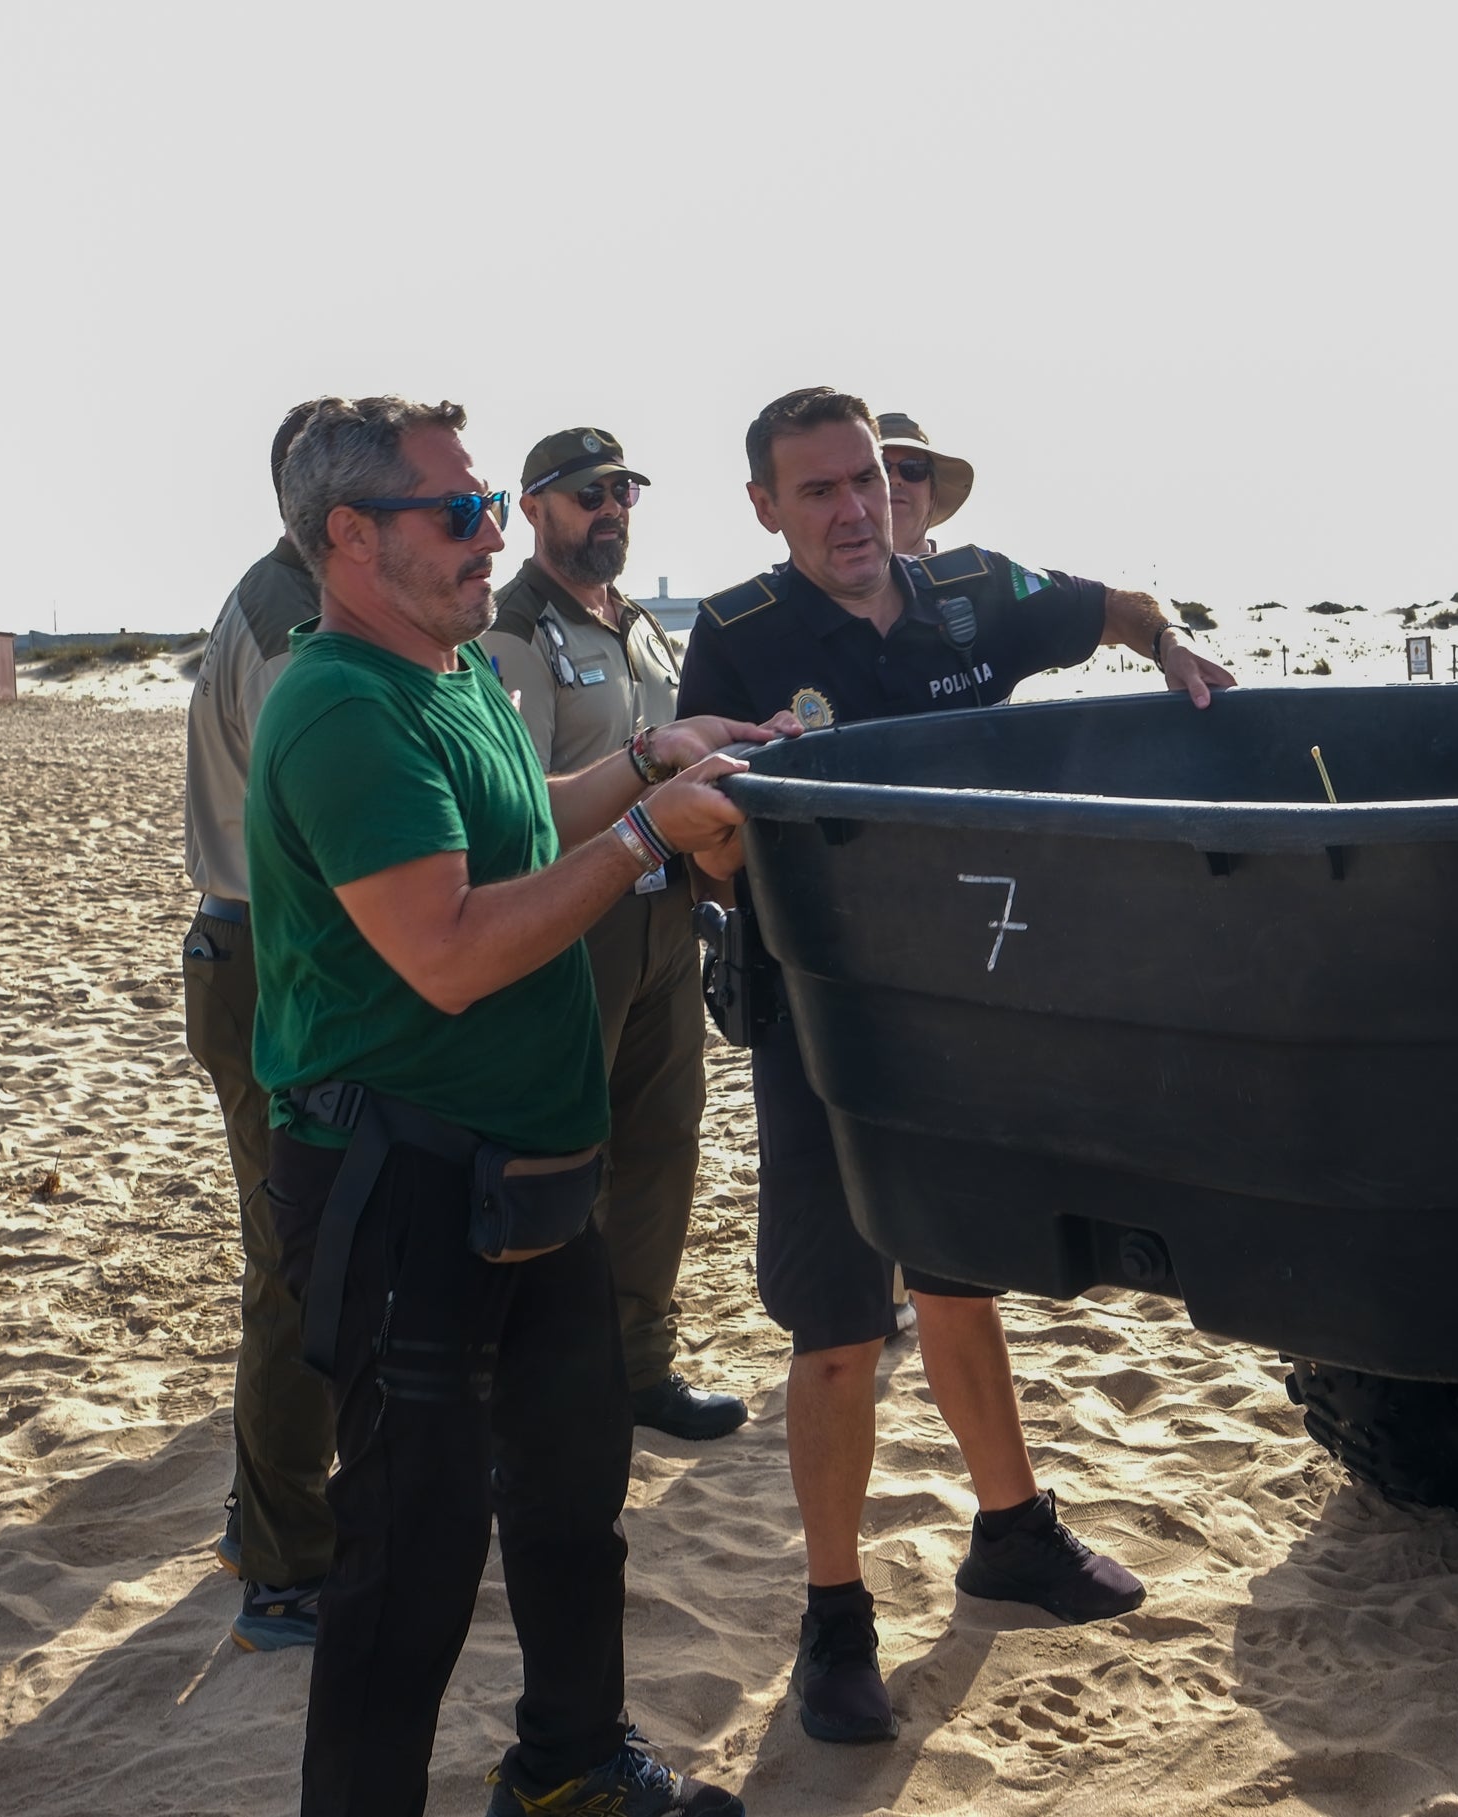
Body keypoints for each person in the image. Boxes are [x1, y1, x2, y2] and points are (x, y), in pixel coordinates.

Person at [675, 385, 1233, 1745]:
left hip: (963, 1013)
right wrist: (726, 835)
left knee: (961, 1274)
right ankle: (834, 1614)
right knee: (837, 1327)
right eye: (817, 490)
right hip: (821, 1023)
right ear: (765, 507)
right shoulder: (738, 636)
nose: (854, 510)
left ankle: (1011, 1530)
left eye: (866, 479)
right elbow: (702, 836)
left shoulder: (976, 596)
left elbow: (1117, 606)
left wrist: (1176, 648)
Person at [252, 394, 782, 1817]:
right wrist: (646, 834)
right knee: (409, 1554)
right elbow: (448, 950)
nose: (490, 534)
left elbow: (518, 816)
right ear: (350, 534)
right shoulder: (339, 704)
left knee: (571, 1495)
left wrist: (651, 759)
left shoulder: (448, 669)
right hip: (401, 1185)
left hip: (532, 1174)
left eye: (487, 506)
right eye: (460, 511)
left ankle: (569, 1768)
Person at [477, 428, 746, 1442]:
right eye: (588, 493)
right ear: (533, 508)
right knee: (563, 1159)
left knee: (663, 1144)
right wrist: (644, 773)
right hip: (573, 919)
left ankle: (639, 1365)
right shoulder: (512, 631)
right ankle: (551, 1376)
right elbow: (523, 809)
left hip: (666, 914)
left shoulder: (637, 626)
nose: (611, 510)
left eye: (624, 490)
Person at [181, 396, 337, 1650]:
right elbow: (330, 821)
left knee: (289, 1257)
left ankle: (261, 1517)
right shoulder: (294, 619)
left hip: (252, 947)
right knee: (296, 1268)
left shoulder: (287, 597)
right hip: (272, 955)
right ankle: (283, 1570)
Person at [874, 411, 973, 558]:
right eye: (881, 468)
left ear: (932, 493)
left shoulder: (978, 571)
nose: (894, 479)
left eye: (913, 468)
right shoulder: (834, 573)